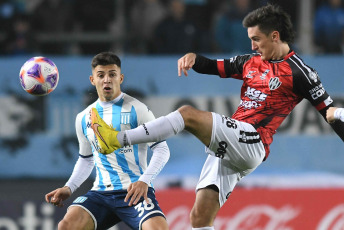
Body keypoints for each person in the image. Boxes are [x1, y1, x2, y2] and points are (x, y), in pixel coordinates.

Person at [91, 4, 344, 230]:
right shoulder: (250, 62)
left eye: (256, 39)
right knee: (200, 218)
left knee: (187, 115)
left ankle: (117, 139)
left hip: (253, 140)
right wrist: (193, 58)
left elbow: (329, 111)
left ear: (275, 36)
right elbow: (213, 66)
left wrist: (337, 115)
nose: (253, 46)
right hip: (231, 147)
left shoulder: (301, 72)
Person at [45, 52, 170, 230]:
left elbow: (162, 150)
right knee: (67, 225)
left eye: (112, 74)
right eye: (101, 75)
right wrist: (69, 187)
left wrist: (144, 181)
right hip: (101, 194)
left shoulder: (138, 109)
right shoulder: (83, 117)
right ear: (92, 79)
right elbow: (86, 159)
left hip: (134, 191)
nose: (107, 80)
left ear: (120, 77)